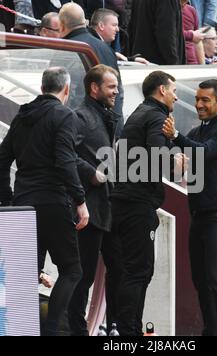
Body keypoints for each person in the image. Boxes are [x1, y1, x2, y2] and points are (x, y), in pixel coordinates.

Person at [0, 67, 89, 336]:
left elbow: (2, 160)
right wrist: (80, 200)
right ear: (66, 90)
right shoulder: (64, 115)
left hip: (23, 202)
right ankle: (50, 331)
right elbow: (65, 161)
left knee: (27, 272)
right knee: (72, 270)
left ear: (41, 88)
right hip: (53, 200)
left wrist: (9, 199)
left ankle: (20, 330)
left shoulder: (22, 116)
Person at [163, 79, 217, 336]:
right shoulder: (197, 132)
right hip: (199, 213)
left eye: (205, 100)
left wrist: (175, 136)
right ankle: (211, 331)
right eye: (197, 99)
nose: (199, 104)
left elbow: (201, 153)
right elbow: (187, 161)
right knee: (201, 279)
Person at [111, 70, 186, 336]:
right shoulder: (157, 116)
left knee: (129, 269)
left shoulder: (139, 113)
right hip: (137, 202)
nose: (177, 97)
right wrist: (175, 161)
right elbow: (155, 155)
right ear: (162, 90)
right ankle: (128, 332)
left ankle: (125, 328)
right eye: (173, 90)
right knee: (139, 270)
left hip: (124, 200)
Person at [67, 64, 120, 336]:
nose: (117, 91)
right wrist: (93, 175)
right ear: (94, 88)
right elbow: (65, 155)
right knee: (83, 276)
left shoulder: (108, 116)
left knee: (119, 269)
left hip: (107, 209)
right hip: (87, 209)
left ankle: (114, 327)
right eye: (111, 87)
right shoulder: (80, 117)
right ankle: (75, 330)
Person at [59, 2, 124, 137]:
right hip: (107, 125)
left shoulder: (65, 50)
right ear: (84, 22)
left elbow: (64, 92)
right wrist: (116, 127)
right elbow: (118, 91)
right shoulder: (106, 48)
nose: (117, 29)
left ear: (62, 24)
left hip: (78, 128)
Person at [128, 0, 186, 65]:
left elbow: (131, 29)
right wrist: (174, 63)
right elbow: (166, 34)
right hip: (159, 64)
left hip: (142, 60)